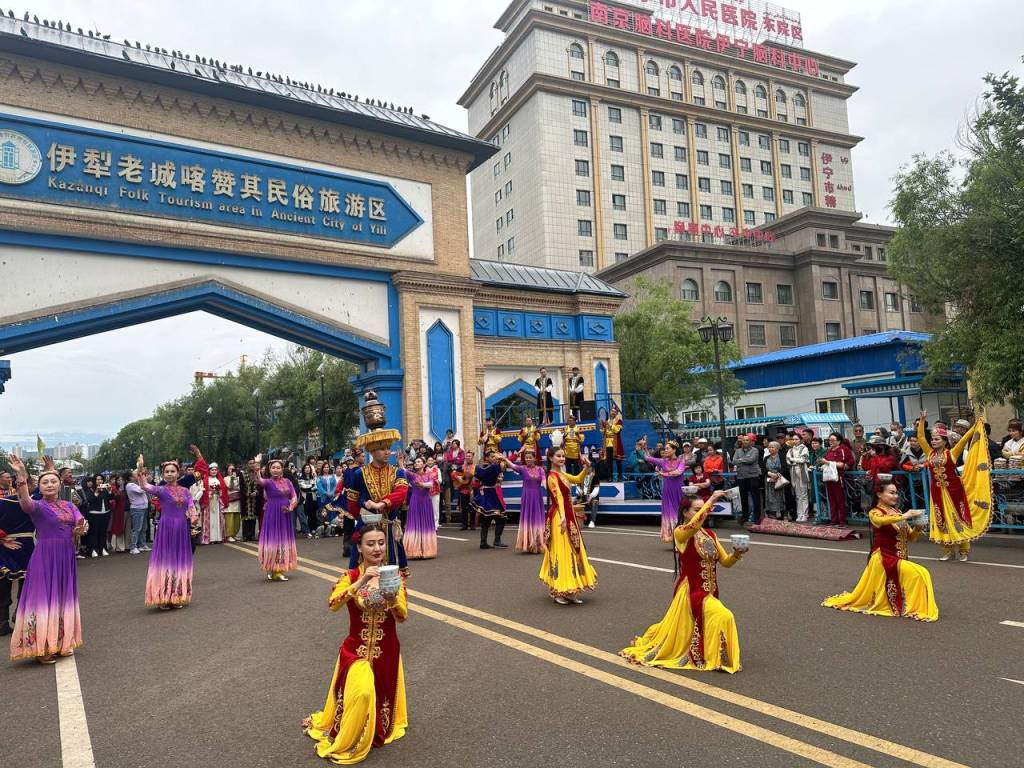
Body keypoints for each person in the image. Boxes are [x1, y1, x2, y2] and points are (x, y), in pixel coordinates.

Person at [303, 523, 408, 764]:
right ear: (359, 548)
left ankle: (371, 730)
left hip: (386, 651)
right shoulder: (349, 576)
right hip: (356, 651)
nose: (377, 548)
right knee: (362, 692)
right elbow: (333, 603)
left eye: (381, 543)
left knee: (378, 698)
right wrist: (361, 581)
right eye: (370, 544)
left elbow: (402, 617)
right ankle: (352, 739)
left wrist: (392, 600)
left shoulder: (395, 577)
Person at [620, 490, 743, 673]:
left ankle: (712, 654)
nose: (701, 512)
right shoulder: (680, 533)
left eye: (702, 509)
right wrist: (711, 499)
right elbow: (693, 526)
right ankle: (719, 659)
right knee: (724, 616)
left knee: (708, 622)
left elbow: (725, 562)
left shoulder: (710, 534)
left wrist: (737, 554)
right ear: (685, 512)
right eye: (696, 510)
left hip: (710, 591)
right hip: (692, 591)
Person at [6, 456, 87, 663]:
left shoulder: (69, 505)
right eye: (45, 482)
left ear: (60, 484)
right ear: (39, 487)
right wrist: (21, 475)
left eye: (53, 481)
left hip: (66, 558)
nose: (49, 485)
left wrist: (81, 528)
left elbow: (81, 522)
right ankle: (40, 647)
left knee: (62, 598)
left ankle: (61, 642)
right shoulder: (37, 506)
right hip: (44, 557)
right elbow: (24, 500)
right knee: (42, 599)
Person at [823, 483, 937, 621]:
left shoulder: (897, 512)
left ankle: (911, 606)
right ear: (879, 494)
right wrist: (906, 515)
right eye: (891, 493)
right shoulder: (875, 512)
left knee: (919, 574)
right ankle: (915, 608)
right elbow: (880, 521)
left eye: (896, 493)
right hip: (884, 558)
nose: (895, 496)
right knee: (921, 573)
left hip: (898, 559)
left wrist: (918, 527)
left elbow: (911, 538)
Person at [345, 391, 410, 573]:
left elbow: (401, 493)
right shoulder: (360, 473)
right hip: (367, 527)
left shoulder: (398, 472)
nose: (387, 452)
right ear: (372, 451)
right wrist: (365, 505)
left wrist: (382, 503)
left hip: (389, 526)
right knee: (364, 571)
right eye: (382, 449)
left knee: (391, 575)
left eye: (388, 448)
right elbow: (352, 503)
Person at [917, 412, 992, 562]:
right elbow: (920, 438)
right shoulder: (929, 453)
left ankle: (964, 551)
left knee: (958, 520)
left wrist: (975, 426)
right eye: (932, 439)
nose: (933, 441)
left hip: (954, 491)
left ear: (945, 441)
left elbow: (964, 440)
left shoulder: (952, 453)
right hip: (937, 492)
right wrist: (923, 420)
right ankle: (948, 551)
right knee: (941, 521)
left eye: (937, 439)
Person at [137, 459, 197, 610]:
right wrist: (140, 469)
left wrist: (193, 517)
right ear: (163, 474)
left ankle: (176, 596)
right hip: (166, 530)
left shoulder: (186, 491)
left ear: (178, 473)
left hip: (182, 530)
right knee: (165, 561)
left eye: (172, 471)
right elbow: (144, 486)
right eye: (167, 472)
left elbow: (191, 506)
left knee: (179, 562)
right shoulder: (161, 490)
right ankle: (162, 597)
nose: (169, 474)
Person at [539, 448, 597, 604]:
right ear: (550, 458)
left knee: (573, 549)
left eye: (563, 456)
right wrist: (563, 517)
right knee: (562, 551)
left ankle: (571, 588)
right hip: (559, 517)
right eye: (558, 456)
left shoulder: (562, 474)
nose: (562, 458)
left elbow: (578, 479)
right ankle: (559, 590)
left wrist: (586, 467)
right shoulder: (552, 477)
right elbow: (558, 498)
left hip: (568, 515)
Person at [0, 469, 33, 638]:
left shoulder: (33, 503)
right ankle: (7, 620)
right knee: (12, 582)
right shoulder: (34, 503)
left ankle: (10, 619)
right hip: (18, 546)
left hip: (20, 545)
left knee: (20, 582)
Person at [256, 457, 300, 581]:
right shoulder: (268, 482)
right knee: (273, 540)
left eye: (278, 467)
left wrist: (291, 507)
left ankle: (279, 570)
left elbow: (294, 496)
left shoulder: (288, 481)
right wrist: (257, 465)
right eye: (273, 468)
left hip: (284, 514)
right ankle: (271, 568)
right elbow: (259, 480)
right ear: (270, 470)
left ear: (282, 469)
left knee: (282, 540)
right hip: (272, 514)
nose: (275, 470)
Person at [643, 440, 687, 543]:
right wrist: (645, 447)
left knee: (679, 512)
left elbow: (678, 472)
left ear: (674, 450)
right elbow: (648, 458)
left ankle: (683, 536)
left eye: (667, 448)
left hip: (678, 490)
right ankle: (673, 536)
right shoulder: (663, 461)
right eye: (665, 449)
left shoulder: (681, 460)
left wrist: (664, 474)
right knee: (669, 513)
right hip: (667, 490)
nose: (665, 450)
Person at [511, 447, 547, 554]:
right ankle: (528, 544)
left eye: (530, 457)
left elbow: (544, 480)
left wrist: (547, 487)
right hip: (527, 496)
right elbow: (512, 465)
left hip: (537, 496)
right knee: (528, 518)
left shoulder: (540, 469)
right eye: (526, 458)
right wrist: (504, 458)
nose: (528, 459)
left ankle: (538, 543)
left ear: (534, 458)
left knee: (538, 519)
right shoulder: (522, 469)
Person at [191, 446, 228, 545]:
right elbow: (202, 490)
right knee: (209, 520)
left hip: (217, 502)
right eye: (212, 470)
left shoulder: (220, 480)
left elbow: (223, 491)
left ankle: (218, 537)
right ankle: (208, 538)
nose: (214, 472)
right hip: (209, 503)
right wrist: (210, 493)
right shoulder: (205, 480)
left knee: (217, 520)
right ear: (209, 471)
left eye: (215, 470)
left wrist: (218, 493)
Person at [473, 449, 509, 549]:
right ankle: (497, 541)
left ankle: (483, 542)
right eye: (492, 456)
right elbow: (504, 465)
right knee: (501, 517)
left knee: (486, 518)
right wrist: (501, 457)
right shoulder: (494, 467)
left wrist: (481, 486)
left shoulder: (478, 467)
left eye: (494, 456)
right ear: (487, 458)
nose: (494, 458)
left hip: (483, 493)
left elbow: (475, 481)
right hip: (491, 493)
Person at [404, 457, 437, 560]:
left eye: (418, 462)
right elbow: (403, 470)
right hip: (415, 501)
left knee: (426, 524)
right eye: (415, 462)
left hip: (426, 502)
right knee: (414, 524)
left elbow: (431, 484)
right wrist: (400, 462)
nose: (416, 463)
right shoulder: (412, 475)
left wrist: (422, 484)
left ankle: (427, 550)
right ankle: (414, 550)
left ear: (424, 464)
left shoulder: (429, 474)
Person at [819, 432, 854, 526]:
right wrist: (823, 464)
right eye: (829, 440)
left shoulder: (843, 449)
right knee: (831, 499)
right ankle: (834, 520)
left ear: (839, 441)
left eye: (833, 440)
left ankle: (842, 520)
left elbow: (844, 463)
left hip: (839, 477)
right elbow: (827, 461)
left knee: (840, 499)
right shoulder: (829, 450)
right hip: (829, 477)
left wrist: (827, 462)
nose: (831, 442)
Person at [732, 434, 762, 525]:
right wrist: (744, 460)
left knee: (755, 498)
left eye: (747, 440)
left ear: (751, 442)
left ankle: (757, 518)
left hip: (753, 476)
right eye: (743, 440)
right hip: (741, 477)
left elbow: (751, 460)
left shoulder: (755, 450)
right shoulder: (738, 451)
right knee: (743, 498)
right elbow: (733, 461)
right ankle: (744, 517)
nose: (745, 442)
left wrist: (740, 460)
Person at [81, 474, 113, 558]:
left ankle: (103, 548)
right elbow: (90, 500)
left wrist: (110, 491)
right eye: (98, 479)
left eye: (101, 479)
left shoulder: (105, 489)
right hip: (94, 513)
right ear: (94, 481)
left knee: (103, 532)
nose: (100, 481)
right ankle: (93, 549)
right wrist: (96, 492)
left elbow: (110, 498)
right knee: (94, 532)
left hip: (105, 512)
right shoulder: (90, 490)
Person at [238, 458, 264, 544]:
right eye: (250, 463)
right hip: (245, 499)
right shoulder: (242, 474)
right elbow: (241, 486)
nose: (252, 465)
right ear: (247, 465)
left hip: (256, 498)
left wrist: (256, 492)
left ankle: (252, 534)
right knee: (246, 518)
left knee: (253, 517)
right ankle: (245, 535)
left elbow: (261, 485)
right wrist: (247, 493)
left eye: (253, 463)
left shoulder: (258, 473)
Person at [786, 432, 811, 522]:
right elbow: (788, 461)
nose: (794, 441)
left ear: (800, 440)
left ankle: (805, 514)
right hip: (793, 472)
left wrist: (793, 460)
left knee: (804, 494)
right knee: (797, 495)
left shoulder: (804, 448)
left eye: (796, 439)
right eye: (793, 439)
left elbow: (804, 459)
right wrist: (795, 460)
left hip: (802, 472)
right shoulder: (790, 450)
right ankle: (799, 514)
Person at [125, 470, 150, 555]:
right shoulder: (130, 485)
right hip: (137, 509)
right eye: (136, 474)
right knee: (137, 528)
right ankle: (133, 547)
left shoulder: (136, 483)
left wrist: (142, 480)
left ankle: (142, 545)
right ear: (130, 477)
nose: (139, 475)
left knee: (143, 528)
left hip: (143, 508)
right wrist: (143, 480)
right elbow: (142, 490)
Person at [764, 441, 787, 520]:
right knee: (770, 496)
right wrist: (769, 473)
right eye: (769, 447)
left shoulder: (781, 457)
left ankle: (781, 512)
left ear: (777, 449)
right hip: (769, 479)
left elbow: (784, 468)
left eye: (772, 447)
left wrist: (777, 475)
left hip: (779, 479)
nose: (770, 449)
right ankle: (771, 513)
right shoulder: (766, 458)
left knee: (780, 495)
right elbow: (763, 469)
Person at [451, 454, 475, 531]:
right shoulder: (461, 467)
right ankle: (464, 525)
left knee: (473, 507)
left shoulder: (476, 467)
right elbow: (453, 474)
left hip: (473, 490)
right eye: (467, 456)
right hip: (463, 490)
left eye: (469, 456)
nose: (468, 457)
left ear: (472, 457)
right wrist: (458, 477)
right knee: (464, 508)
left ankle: (472, 524)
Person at [298, 464, 319, 540]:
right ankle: (306, 530)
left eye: (308, 468)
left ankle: (313, 528)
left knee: (313, 513)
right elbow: (304, 488)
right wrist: (312, 486)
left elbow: (316, 487)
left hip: (313, 497)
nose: (307, 469)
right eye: (306, 468)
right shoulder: (300, 478)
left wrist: (311, 486)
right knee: (305, 514)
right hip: (305, 498)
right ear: (303, 469)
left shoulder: (313, 477)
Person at [223, 464, 241, 542]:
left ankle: (234, 534)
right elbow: (230, 487)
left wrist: (235, 487)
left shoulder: (238, 478)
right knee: (229, 517)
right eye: (230, 469)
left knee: (237, 517)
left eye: (233, 469)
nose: (231, 470)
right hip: (230, 500)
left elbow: (240, 488)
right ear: (227, 470)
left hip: (237, 500)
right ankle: (229, 535)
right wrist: (232, 480)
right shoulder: (225, 478)